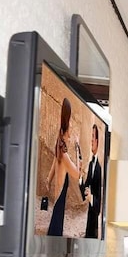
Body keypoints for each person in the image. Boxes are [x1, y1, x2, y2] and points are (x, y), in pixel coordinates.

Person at [46, 98, 81, 236]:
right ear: (66, 131)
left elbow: (55, 161)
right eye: (70, 129)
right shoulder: (64, 155)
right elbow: (77, 174)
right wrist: (77, 149)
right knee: (56, 228)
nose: (71, 133)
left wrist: (49, 179)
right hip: (59, 201)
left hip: (58, 200)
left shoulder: (59, 147)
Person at [81, 124, 102, 237]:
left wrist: (91, 198)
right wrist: (80, 177)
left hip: (94, 222)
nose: (91, 140)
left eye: (93, 136)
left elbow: (98, 207)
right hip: (89, 219)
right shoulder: (90, 164)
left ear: (97, 141)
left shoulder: (100, 168)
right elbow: (84, 191)